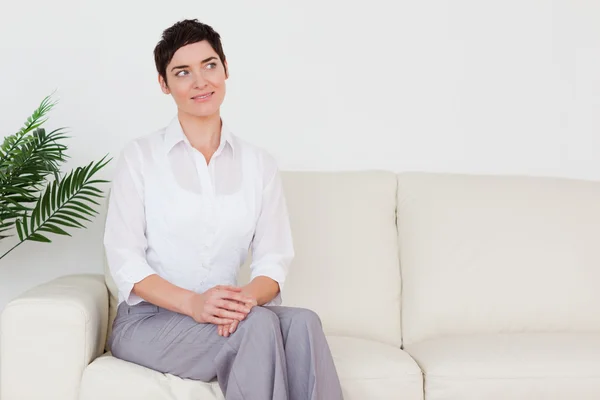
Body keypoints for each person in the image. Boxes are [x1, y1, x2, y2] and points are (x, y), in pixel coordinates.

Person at [104, 19, 343, 400]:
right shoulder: (140, 158)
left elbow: (274, 260)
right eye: (183, 72)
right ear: (165, 85)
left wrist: (242, 301)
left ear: (226, 69)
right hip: (149, 322)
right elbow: (125, 263)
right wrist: (194, 304)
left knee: (303, 323)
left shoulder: (258, 164)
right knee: (258, 328)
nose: (200, 81)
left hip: (226, 317)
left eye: (209, 65)